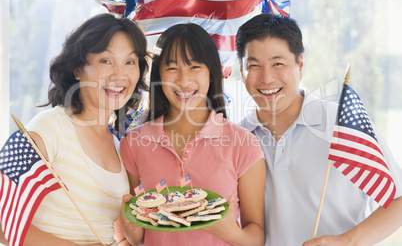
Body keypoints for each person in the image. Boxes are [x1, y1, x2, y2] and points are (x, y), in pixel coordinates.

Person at [236, 13, 402, 246]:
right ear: (241, 71)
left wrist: (346, 241)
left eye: (278, 63)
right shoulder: (237, 138)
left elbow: (399, 199)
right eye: (254, 65)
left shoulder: (342, 123)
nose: (267, 78)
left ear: (300, 64)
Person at [0, 13, 149, 245]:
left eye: (130, 62)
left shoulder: (121, 147)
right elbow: (3, 220)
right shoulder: (50, 127)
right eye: (105, 61)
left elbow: (117, 236)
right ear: (77, 70)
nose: (120, 75)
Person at [119, 23, 266, 245]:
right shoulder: (134, 143)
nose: (184, 81)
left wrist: (229, 232)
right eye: (172, 68)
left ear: (211, 73)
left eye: (195, 67)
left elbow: (257, 235)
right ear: (158, 74)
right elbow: (139, 237)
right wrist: (130, 228)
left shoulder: (244, 143)